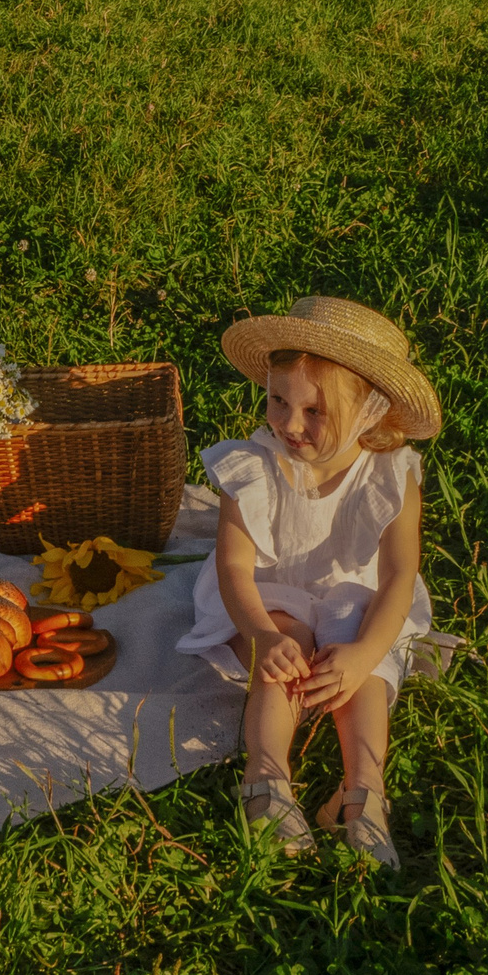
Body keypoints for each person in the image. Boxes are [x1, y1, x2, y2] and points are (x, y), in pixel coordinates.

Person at [176, 295, 442, 868]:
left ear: (370, 411)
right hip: (269, 591)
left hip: (358, 591)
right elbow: (234, 567)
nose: (289, 424)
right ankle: (267, 776)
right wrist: (260, 635)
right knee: (288, 648)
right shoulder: (251, 467)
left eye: (315, 412)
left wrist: (365, 652)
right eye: (277, 400)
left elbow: (398, 577)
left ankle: (363, 791)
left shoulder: (392, 477)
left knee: (360, 659)